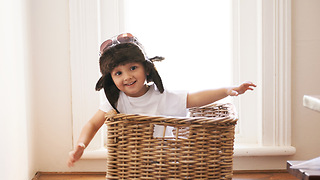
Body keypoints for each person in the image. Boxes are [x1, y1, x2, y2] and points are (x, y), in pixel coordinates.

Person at [68, 33, 256, 167]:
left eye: (133, 68)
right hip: (134, 164)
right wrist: (81, 145)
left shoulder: (162, 96)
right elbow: (92, 124)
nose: (127, 76)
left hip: (167, 162)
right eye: (118, 72)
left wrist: (228, 90)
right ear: (111, 79)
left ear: (147, 69)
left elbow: (196, 98)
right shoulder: (116, 102)